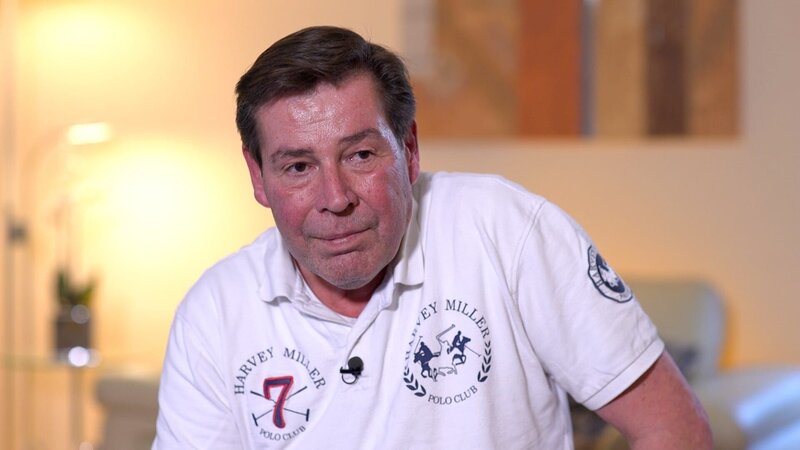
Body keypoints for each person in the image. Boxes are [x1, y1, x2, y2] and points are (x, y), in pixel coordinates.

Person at [154, 26, 712, 449]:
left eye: (360, 155)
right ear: (257, 177)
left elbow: (675, 431)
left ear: (410, 150)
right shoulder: (215, 310)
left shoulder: (505, 229)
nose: (336, 197)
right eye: (298, 167)